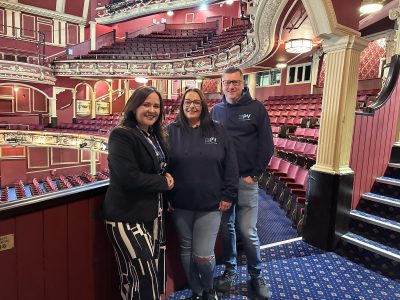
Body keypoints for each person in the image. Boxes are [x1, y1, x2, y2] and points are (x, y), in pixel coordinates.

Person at [103, 86, 174, 300]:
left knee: (135, 276)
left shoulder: (153, 135)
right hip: (126, 217)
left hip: (151, 215)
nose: (152, 110)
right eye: (146, 104)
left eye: (156, 106)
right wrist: (163, 182)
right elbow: (128, 177)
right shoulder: (121, 135)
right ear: (134, 107)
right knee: (144, 277)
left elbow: (158, 167)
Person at [168, 88, 239, 300]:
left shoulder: (218, 130)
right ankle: (197, 291)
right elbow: (164, 166)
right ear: (182, 105)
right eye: (188, 102)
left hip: (211, 204)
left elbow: (231, 166)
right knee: (186, 249)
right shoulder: (171, 130)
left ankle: (208, 289)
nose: (192, 106)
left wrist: (228, 195)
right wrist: (166, 197)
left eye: (197, 102)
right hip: (180, 203)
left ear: (203, 105)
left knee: (203, 255)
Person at [210, 67, 274, 299]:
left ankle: (256, 275)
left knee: (247, 230)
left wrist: (253, 174)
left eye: (235, 83)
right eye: (227, 83)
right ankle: (229, 271)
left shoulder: (256, 108)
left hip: (246, 180)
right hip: (223, 183)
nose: (231, 87)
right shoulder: (216, 110)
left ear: (243, 84)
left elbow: (267, 146)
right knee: (226, 230)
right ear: (222, 85)